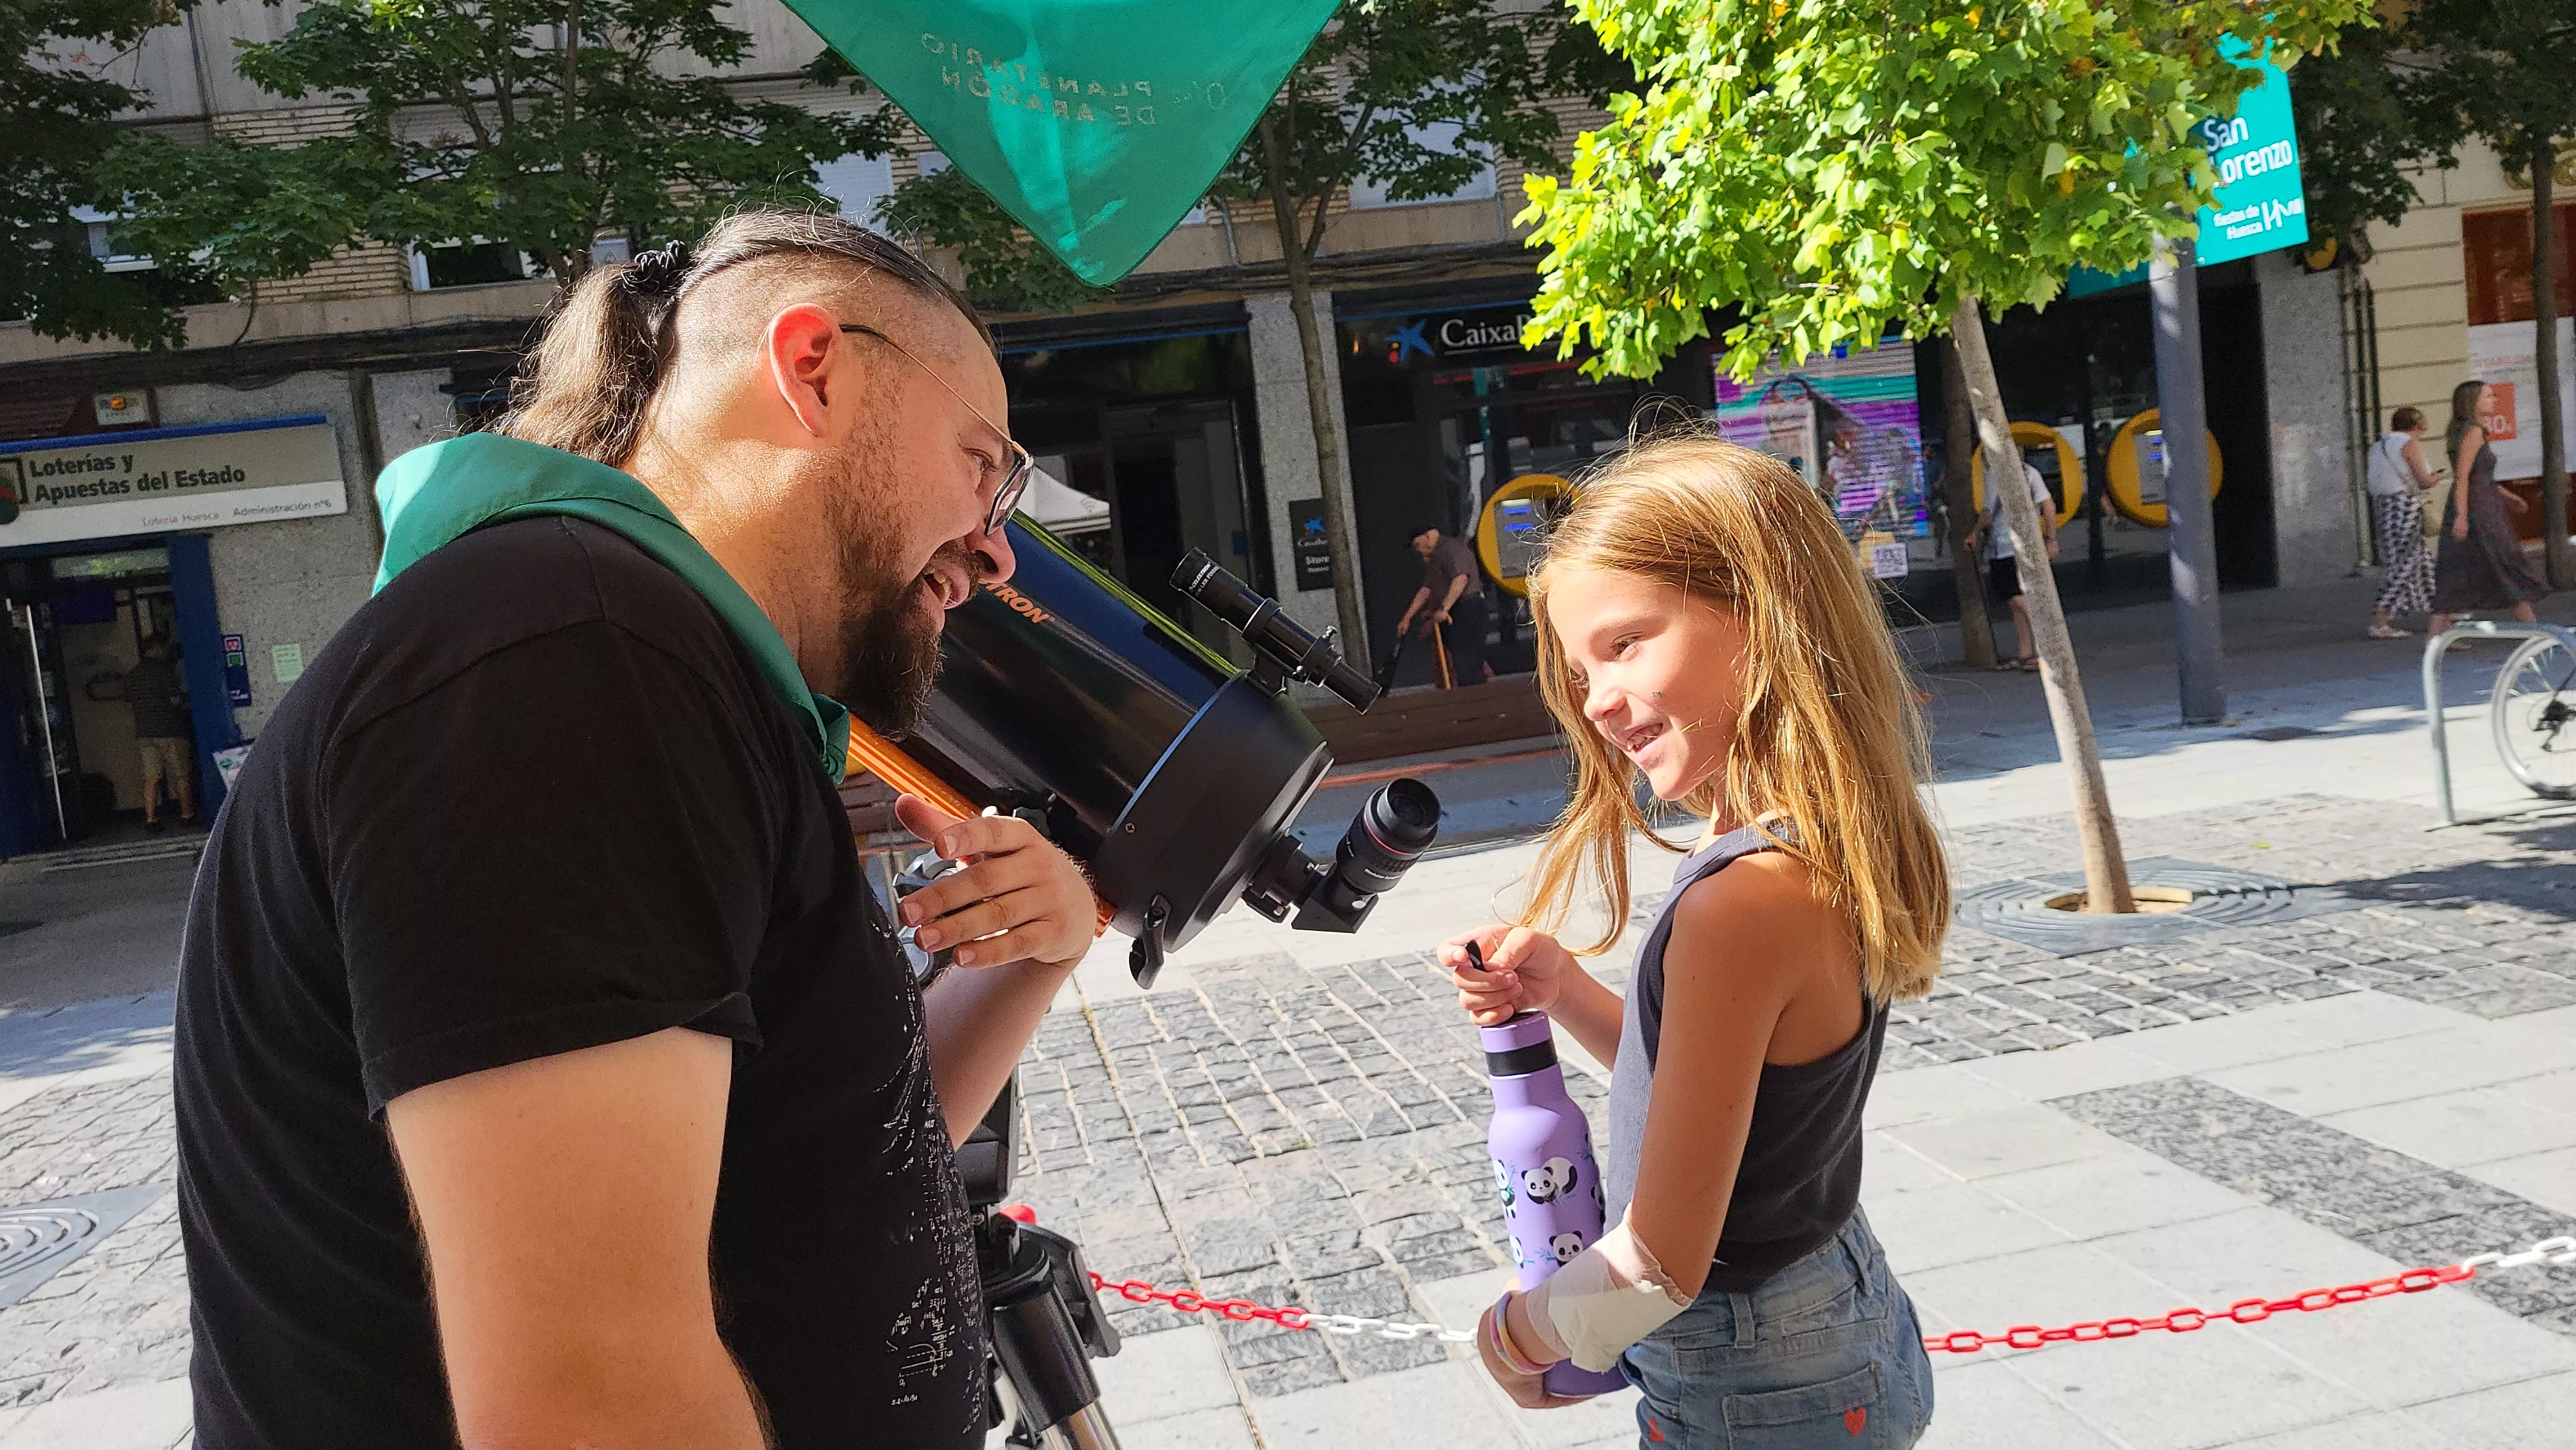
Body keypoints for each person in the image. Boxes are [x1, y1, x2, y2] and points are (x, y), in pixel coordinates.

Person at [173, 211, 1099, 1450]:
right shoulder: (575, 655)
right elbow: (595, 1404)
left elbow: (813, 1166)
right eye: (983, 463)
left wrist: (1038, 955)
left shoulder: (645, 659)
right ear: (813, 365)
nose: (994, 551)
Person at [1440, 433, 1943, 1448]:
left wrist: (1519, 1336)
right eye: (1582, 669)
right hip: (1829, 1314)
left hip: (1755, 1376)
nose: (1599, 702)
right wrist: (1572, 996)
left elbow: (1660, 1264)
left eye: (1625, 644)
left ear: (1762, 612)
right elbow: (1725, 1095)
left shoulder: (1741, 898)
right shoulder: (1792, 845)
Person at [2429, 379, 2548, 635]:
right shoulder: (2472, 432)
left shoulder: (2470, 430)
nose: (2494, 400)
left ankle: (2436, 639)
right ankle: (2534, 631)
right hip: (2478, 509)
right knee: (2504, 560)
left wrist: (2509, 497)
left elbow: (2479, 476)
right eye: (2488, 396)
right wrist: (2462, 516)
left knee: (2458, 567)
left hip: (2482, 502)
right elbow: (2462, 476)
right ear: (2473, 402)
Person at [2363, 406, 2443, 639]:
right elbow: (2424, 481)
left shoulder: (2378, 446)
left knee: (2424, 561)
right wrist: (2438, 476)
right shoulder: (2410, 444)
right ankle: (2381, 620)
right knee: (2403, 564)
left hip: (2383, 506)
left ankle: (2441, 610)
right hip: (2404, 506)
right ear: (2417, 426)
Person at [1973, 457, 2058, 671]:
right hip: (2030, 545)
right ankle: (2026, 653)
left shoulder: (1993, 476)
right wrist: (2051, 538)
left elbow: (1987, 514)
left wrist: (1973, 533)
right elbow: (2048, 505)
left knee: (2014, 596)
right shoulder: (2030, 472)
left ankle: (2047, 644)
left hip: (2004, 546)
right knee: (2016, 601)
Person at [1394, 522, 1492, 686]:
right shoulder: (1434, 558)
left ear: (1428, 536)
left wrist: (1443, 608)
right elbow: (1426, 590)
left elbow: (1461, 579)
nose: (1418, 550)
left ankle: (1476, 697)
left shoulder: (1452, 549)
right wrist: (1407, 618)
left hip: (1468, 607)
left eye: (1418, 545)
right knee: (1459, 660)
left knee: (1468, 662)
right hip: (1453, 612)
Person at [120, 633, 194, 830]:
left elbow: (128, 705)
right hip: (171, 730)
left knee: (151, 778)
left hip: (145, 733)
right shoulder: (165, 672)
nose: (167, 652)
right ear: (157, 648)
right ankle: (187, 815)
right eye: (165, 648)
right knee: (181, 775)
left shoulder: (132, 676)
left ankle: (151, 819)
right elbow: (175, 700)